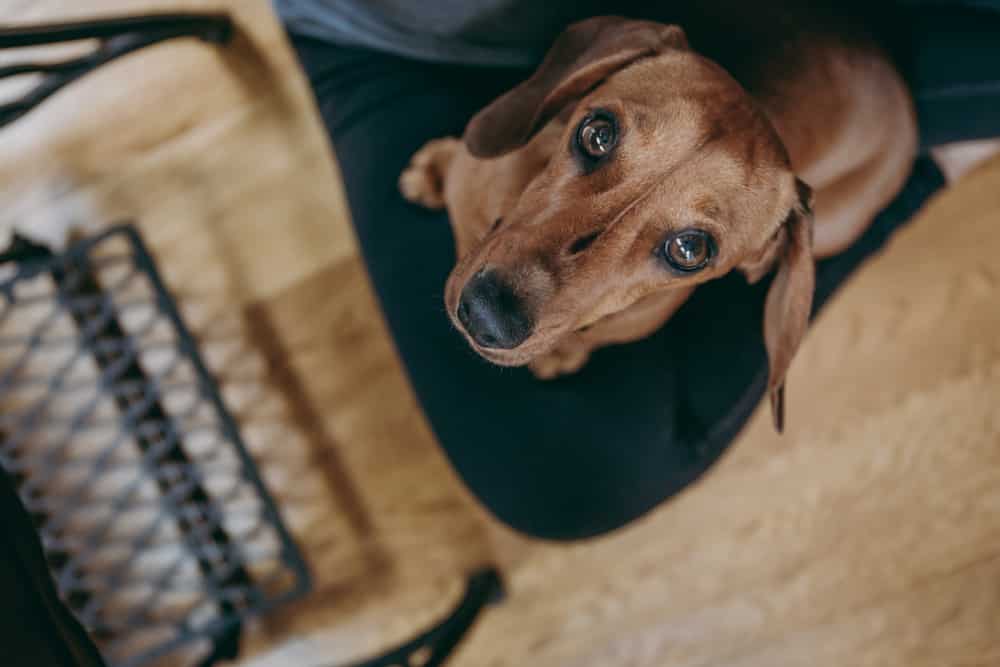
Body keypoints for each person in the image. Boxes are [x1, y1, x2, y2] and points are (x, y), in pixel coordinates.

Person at [274, 0, 996, 540]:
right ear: (580, 86)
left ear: (765, 261)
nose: (516, 290)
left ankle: (926, 168)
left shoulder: (783, 221)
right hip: (372, 30)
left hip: (867, 143)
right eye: (599, 136)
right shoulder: (641, 65)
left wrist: (579, 334)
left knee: (567, 486)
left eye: (687, 247)